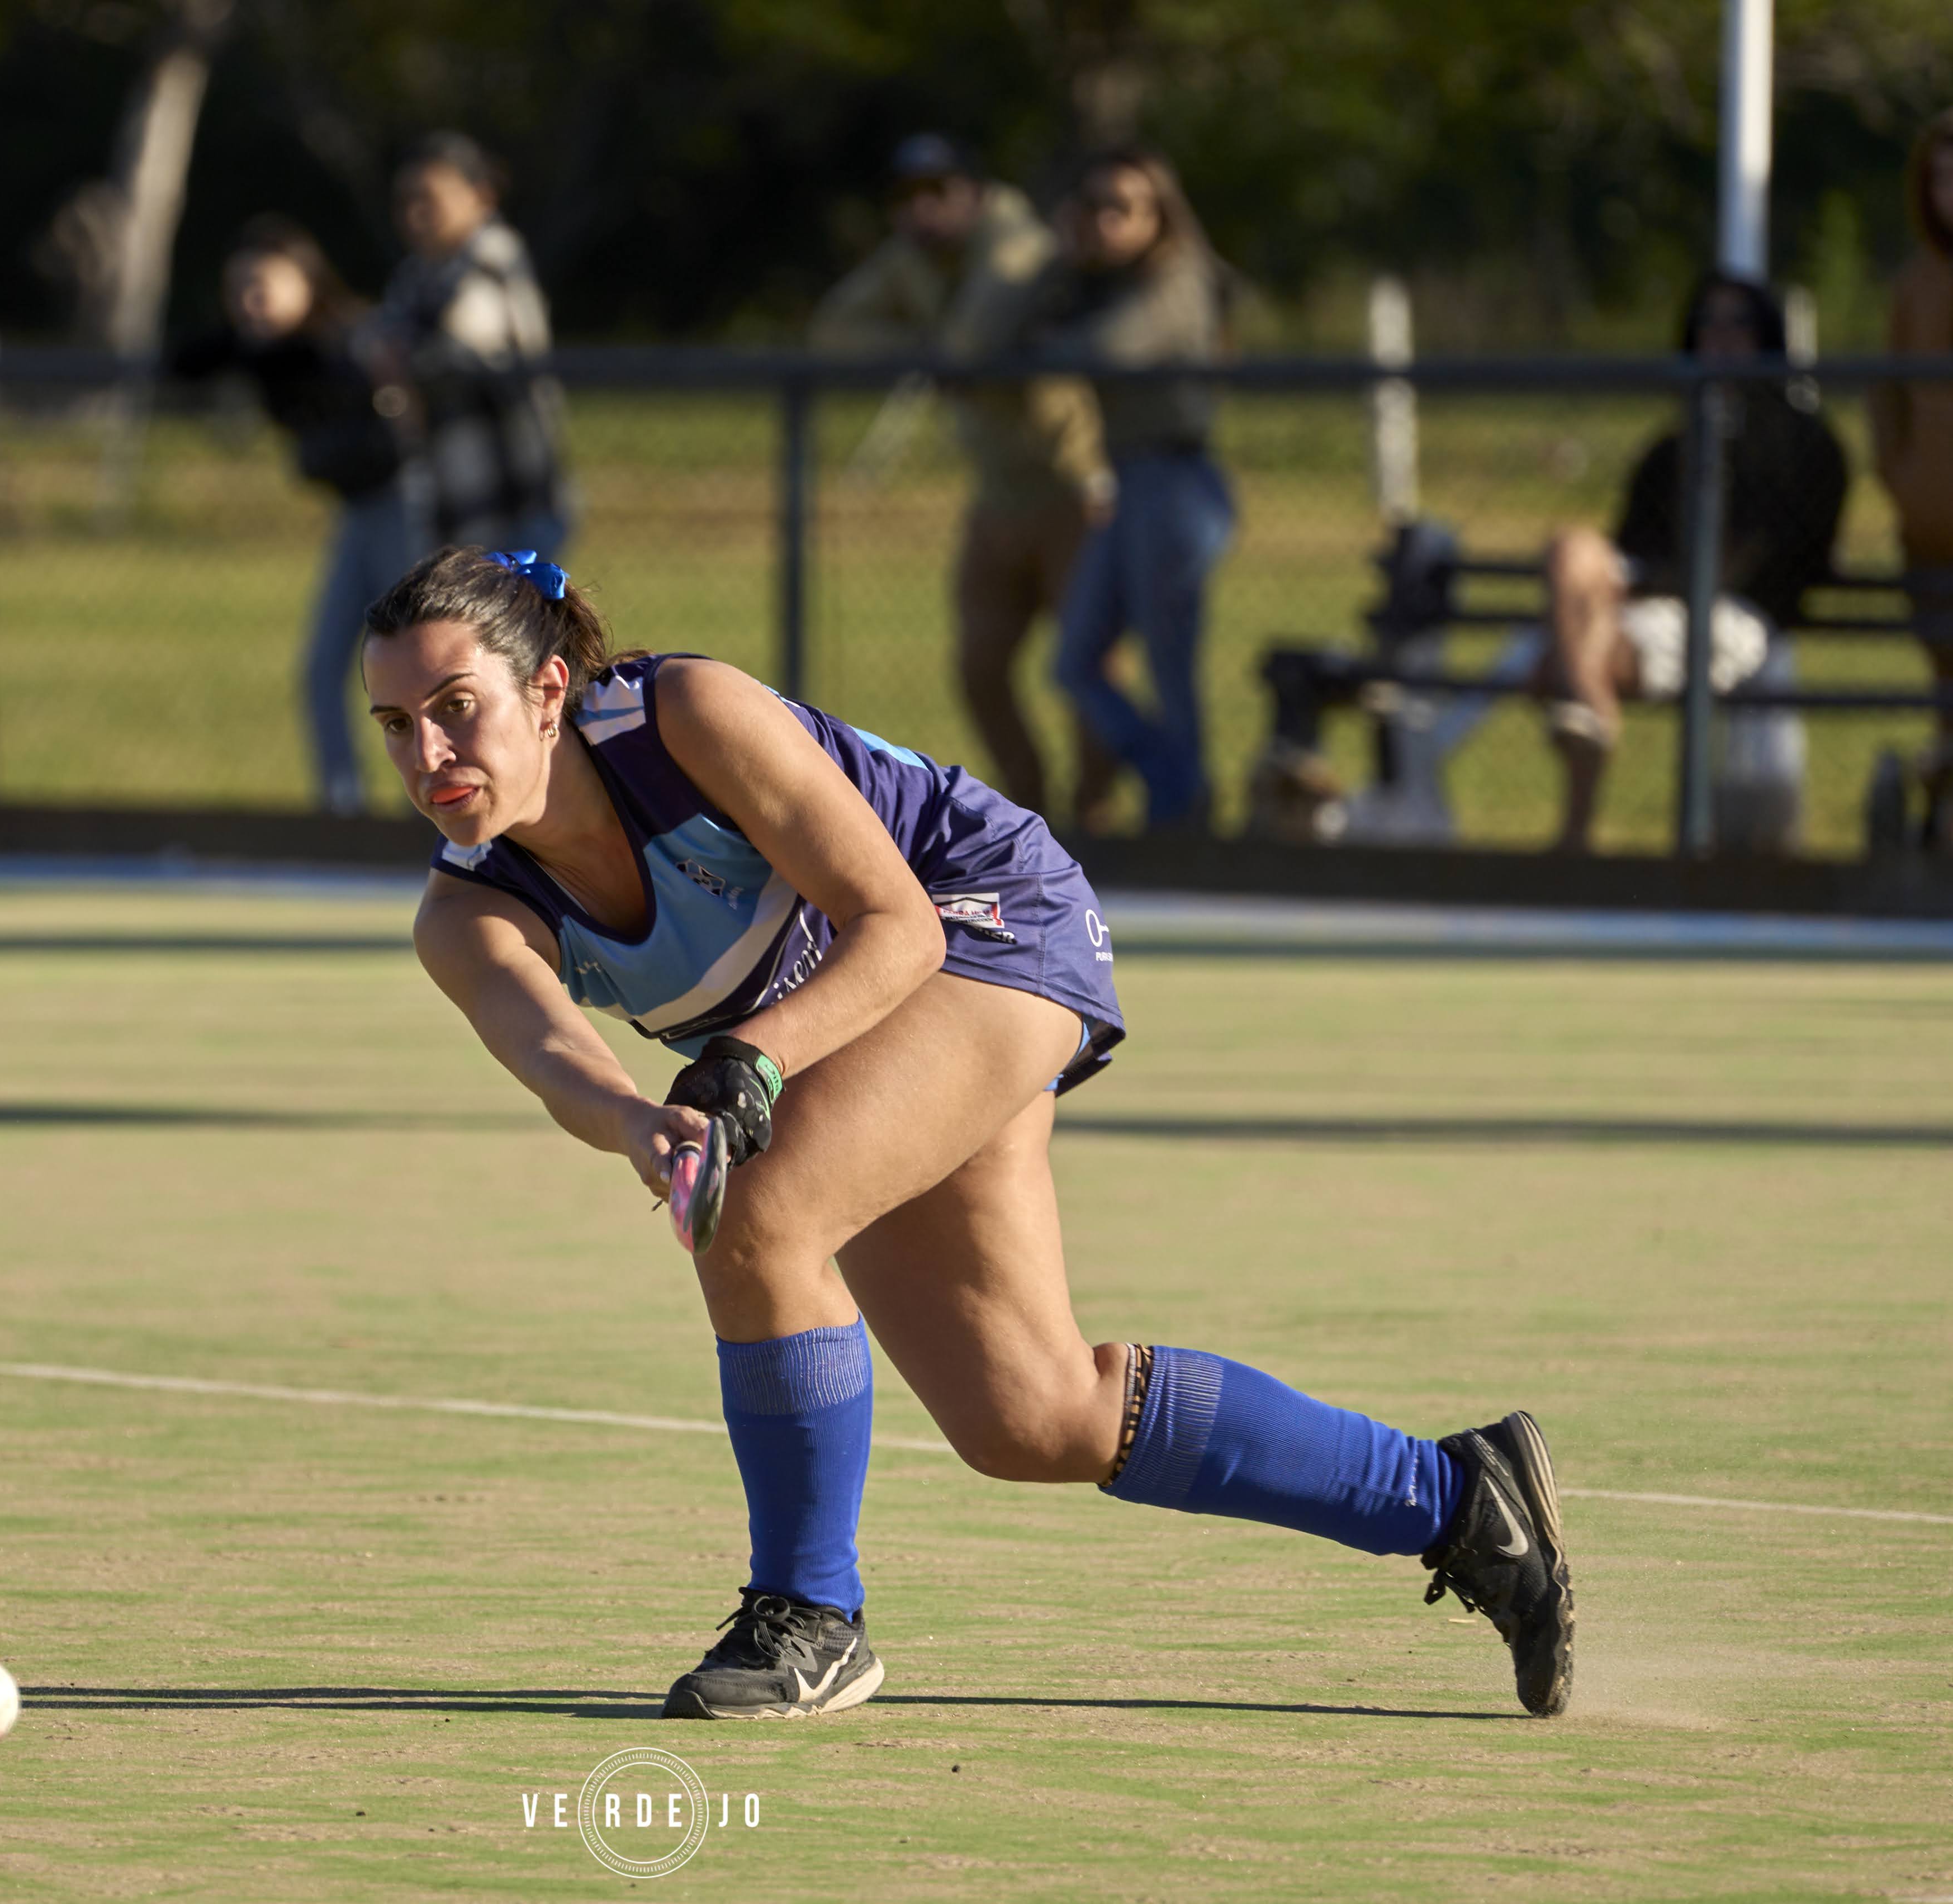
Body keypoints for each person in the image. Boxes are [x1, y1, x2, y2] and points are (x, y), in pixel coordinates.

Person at [360, 542, 1575, 1722]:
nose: (429, 752)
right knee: (1031, 1417)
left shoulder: (683, 717)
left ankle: (810, 1615)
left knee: (763, 1218)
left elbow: (897, 927)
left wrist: (753, 1057)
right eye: (396, 725)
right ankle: (1459, 1500)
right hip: (842, 1031)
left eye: (456, 706)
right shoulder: (464, 910)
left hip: (985, 918)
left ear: (548, 690)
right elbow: (556, 1060)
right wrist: (641, 1120)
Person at [811, 134, 1110, 819]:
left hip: (1074, 486)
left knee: (1087, 669)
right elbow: (834, 330)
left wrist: (942, 357)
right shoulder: (913, 257)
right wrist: (926, 353)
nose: (923, 209)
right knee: (980, 668)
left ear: (974, 193)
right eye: (907, 198)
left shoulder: (1014, 244)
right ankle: (1031, 807)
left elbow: (971, 345)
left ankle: (1097, 813)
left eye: (939, 192)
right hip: (995, 493)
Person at [1538, 273, 1847, 852]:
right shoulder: (1670, 448)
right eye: (1708, 324)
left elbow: (1773, 559)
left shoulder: (1802, 445)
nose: (1721, 339)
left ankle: (1577, 810)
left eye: (1738, 324)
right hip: (1648, 607)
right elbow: (1628, 547)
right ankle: (1587, 721)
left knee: (1575, 651)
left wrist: (1658, 583)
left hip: (1734, 615)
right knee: (1569, 553)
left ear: (1767, 338)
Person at [172, 216, 422, 814]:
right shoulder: (262, 348)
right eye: (239, 290)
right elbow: (185, 362)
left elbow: (392, 430)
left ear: (307, 283)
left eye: (264, 285)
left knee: (420, 670)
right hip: (358, 515)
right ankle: (343, 815)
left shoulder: (346, 342)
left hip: (407, 509)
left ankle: (442, 818)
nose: (249, 302)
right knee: (321, 671)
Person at [1021, 148, 1236, 832]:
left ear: (1159, 217)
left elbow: (1105, 350)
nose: (1105, 223)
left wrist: (1053, 338)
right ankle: (1177, 785)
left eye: (1123, 209)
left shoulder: (1180, 276)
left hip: (1177, 484)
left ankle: (1183, 813)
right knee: (1075, 659)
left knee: (1168, 665)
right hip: (1128, 482)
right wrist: (1062, 253)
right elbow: (1022, 332)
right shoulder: (1091, 279)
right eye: (1093, 208)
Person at [378, 132, 573, 555]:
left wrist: (398, 366)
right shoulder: (417, 276)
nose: (415, 214)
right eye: (405, 200)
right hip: (450, 498)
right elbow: (380, 350)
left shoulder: (493, 257)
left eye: (430, 198)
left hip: (515, 499)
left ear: (481, 197)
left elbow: (461, 343)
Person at [1871, 107, 1953, 847]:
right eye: (1940, 176)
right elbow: (1886, 397)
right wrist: (1903, 479)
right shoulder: (1915, 284)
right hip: (1931, 532)